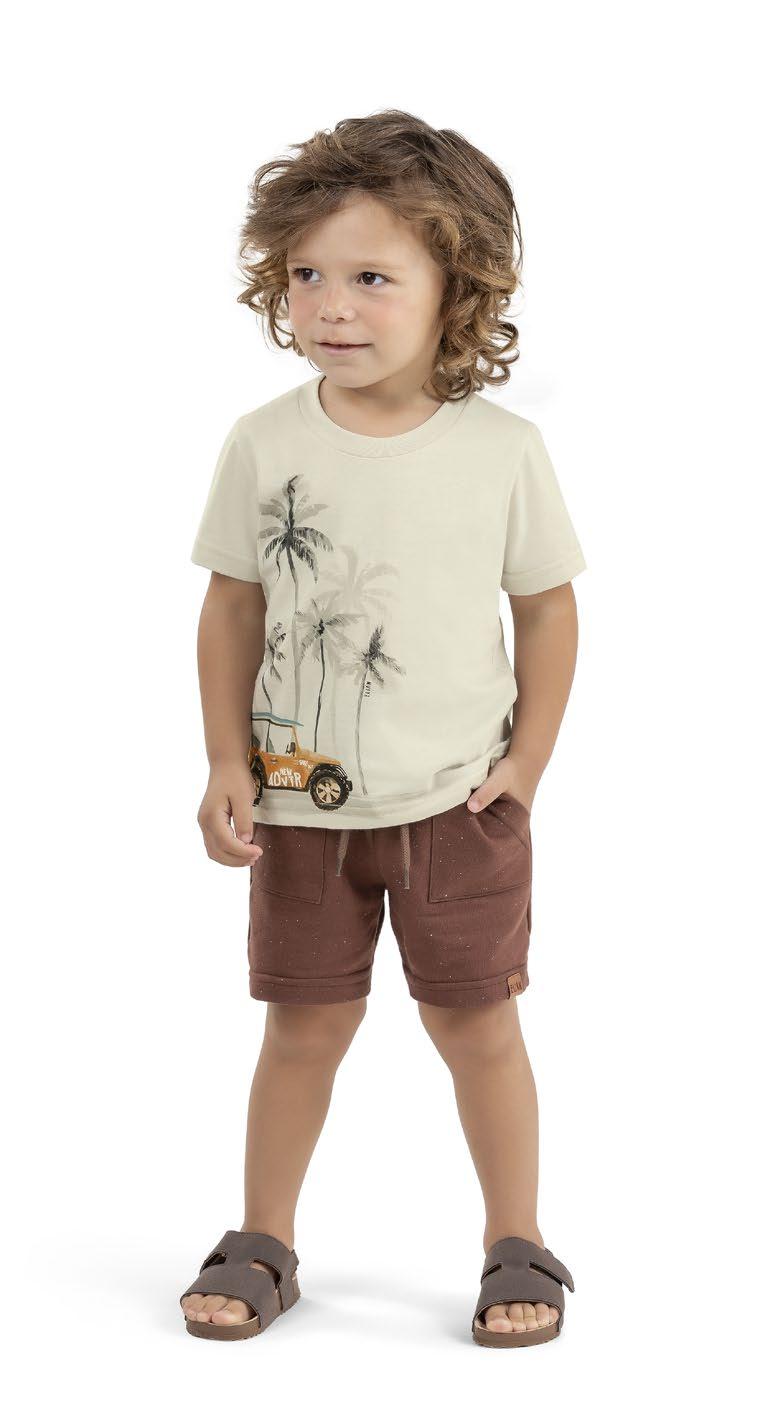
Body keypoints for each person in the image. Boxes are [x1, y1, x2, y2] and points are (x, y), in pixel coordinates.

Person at [179, 110, 585, 1348]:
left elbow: (545, 608)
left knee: (477, 1027)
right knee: (301, 1028)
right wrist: (225, 758)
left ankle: (516, 1238)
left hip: (459, 805)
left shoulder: (502, 450)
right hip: (299, 805)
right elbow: (232, 604)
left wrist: (525, 765)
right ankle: (264, 1236)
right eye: (305, 273)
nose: (329, 306)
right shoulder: (264, 441)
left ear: (455, 287)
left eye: (369, 277)